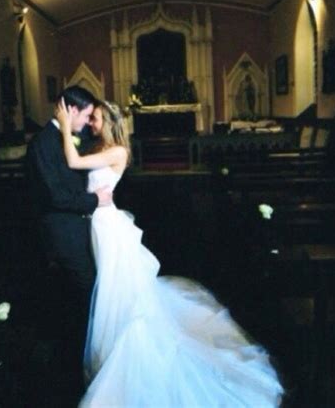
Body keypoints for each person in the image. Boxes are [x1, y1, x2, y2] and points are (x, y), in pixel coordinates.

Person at [55, 99, 284, 407]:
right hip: (98, 223)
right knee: (110, 288)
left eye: (95, 118)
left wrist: (64, 126)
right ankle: (112, 346)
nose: (92, 124)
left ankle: (123, 350)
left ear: (109, 122)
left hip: (108, 226)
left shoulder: (117, 151)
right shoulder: (99, 148)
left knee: (115, 289)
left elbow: (72, 162)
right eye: (91, 118)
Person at [25, 86, 112, 402]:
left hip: (83, 228)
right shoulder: (41, 144)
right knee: (88, 290)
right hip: (61, 231)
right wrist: (94, 200)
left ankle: (87, 354)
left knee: (90, 291)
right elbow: (54, 196)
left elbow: (98, 150)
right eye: (87, 115)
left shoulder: (79, 137)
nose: (89, 122)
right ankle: (79, 364)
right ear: (70, 110)